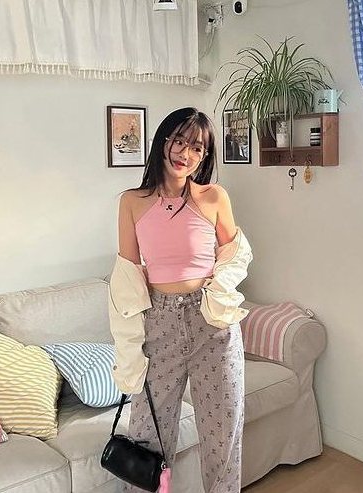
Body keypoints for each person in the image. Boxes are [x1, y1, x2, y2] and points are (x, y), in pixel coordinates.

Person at [111, 107, 252, 492]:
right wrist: (129, 347)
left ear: (204, 157)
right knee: (147, 437)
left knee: (223, 438)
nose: (185, 154)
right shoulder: (132, 202)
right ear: (162, 142)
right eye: (179, 141)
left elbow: (235, 255)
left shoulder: (214, 197)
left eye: (196, 148)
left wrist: (218, 292)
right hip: (159, 325)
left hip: (213, 326)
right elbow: (127, 279)